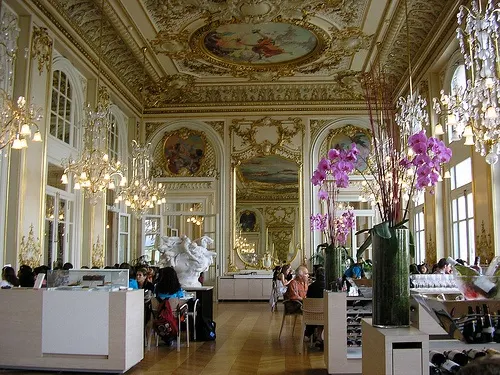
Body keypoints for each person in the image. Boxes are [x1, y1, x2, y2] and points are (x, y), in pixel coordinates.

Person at [304, 267, 325, 346]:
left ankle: (310, 335)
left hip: (311, 315)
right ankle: (320, 337)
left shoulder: (311, 287)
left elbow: (308, 298)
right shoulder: (327, 287)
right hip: (324, 314)